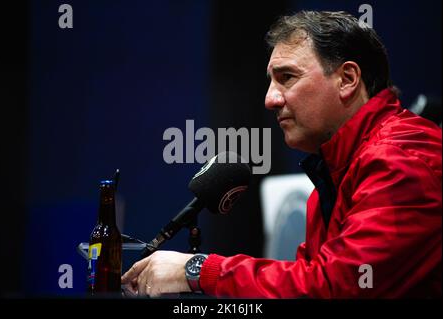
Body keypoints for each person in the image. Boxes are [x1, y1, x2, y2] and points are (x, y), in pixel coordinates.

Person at [121, 11, 442, 298]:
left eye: (287, 77)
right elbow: (309, 282)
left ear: (347, 79)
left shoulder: (401, 158)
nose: (270, 99)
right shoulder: (335, 170)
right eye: (270, 81)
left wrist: (198, 270)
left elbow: (339, 287)